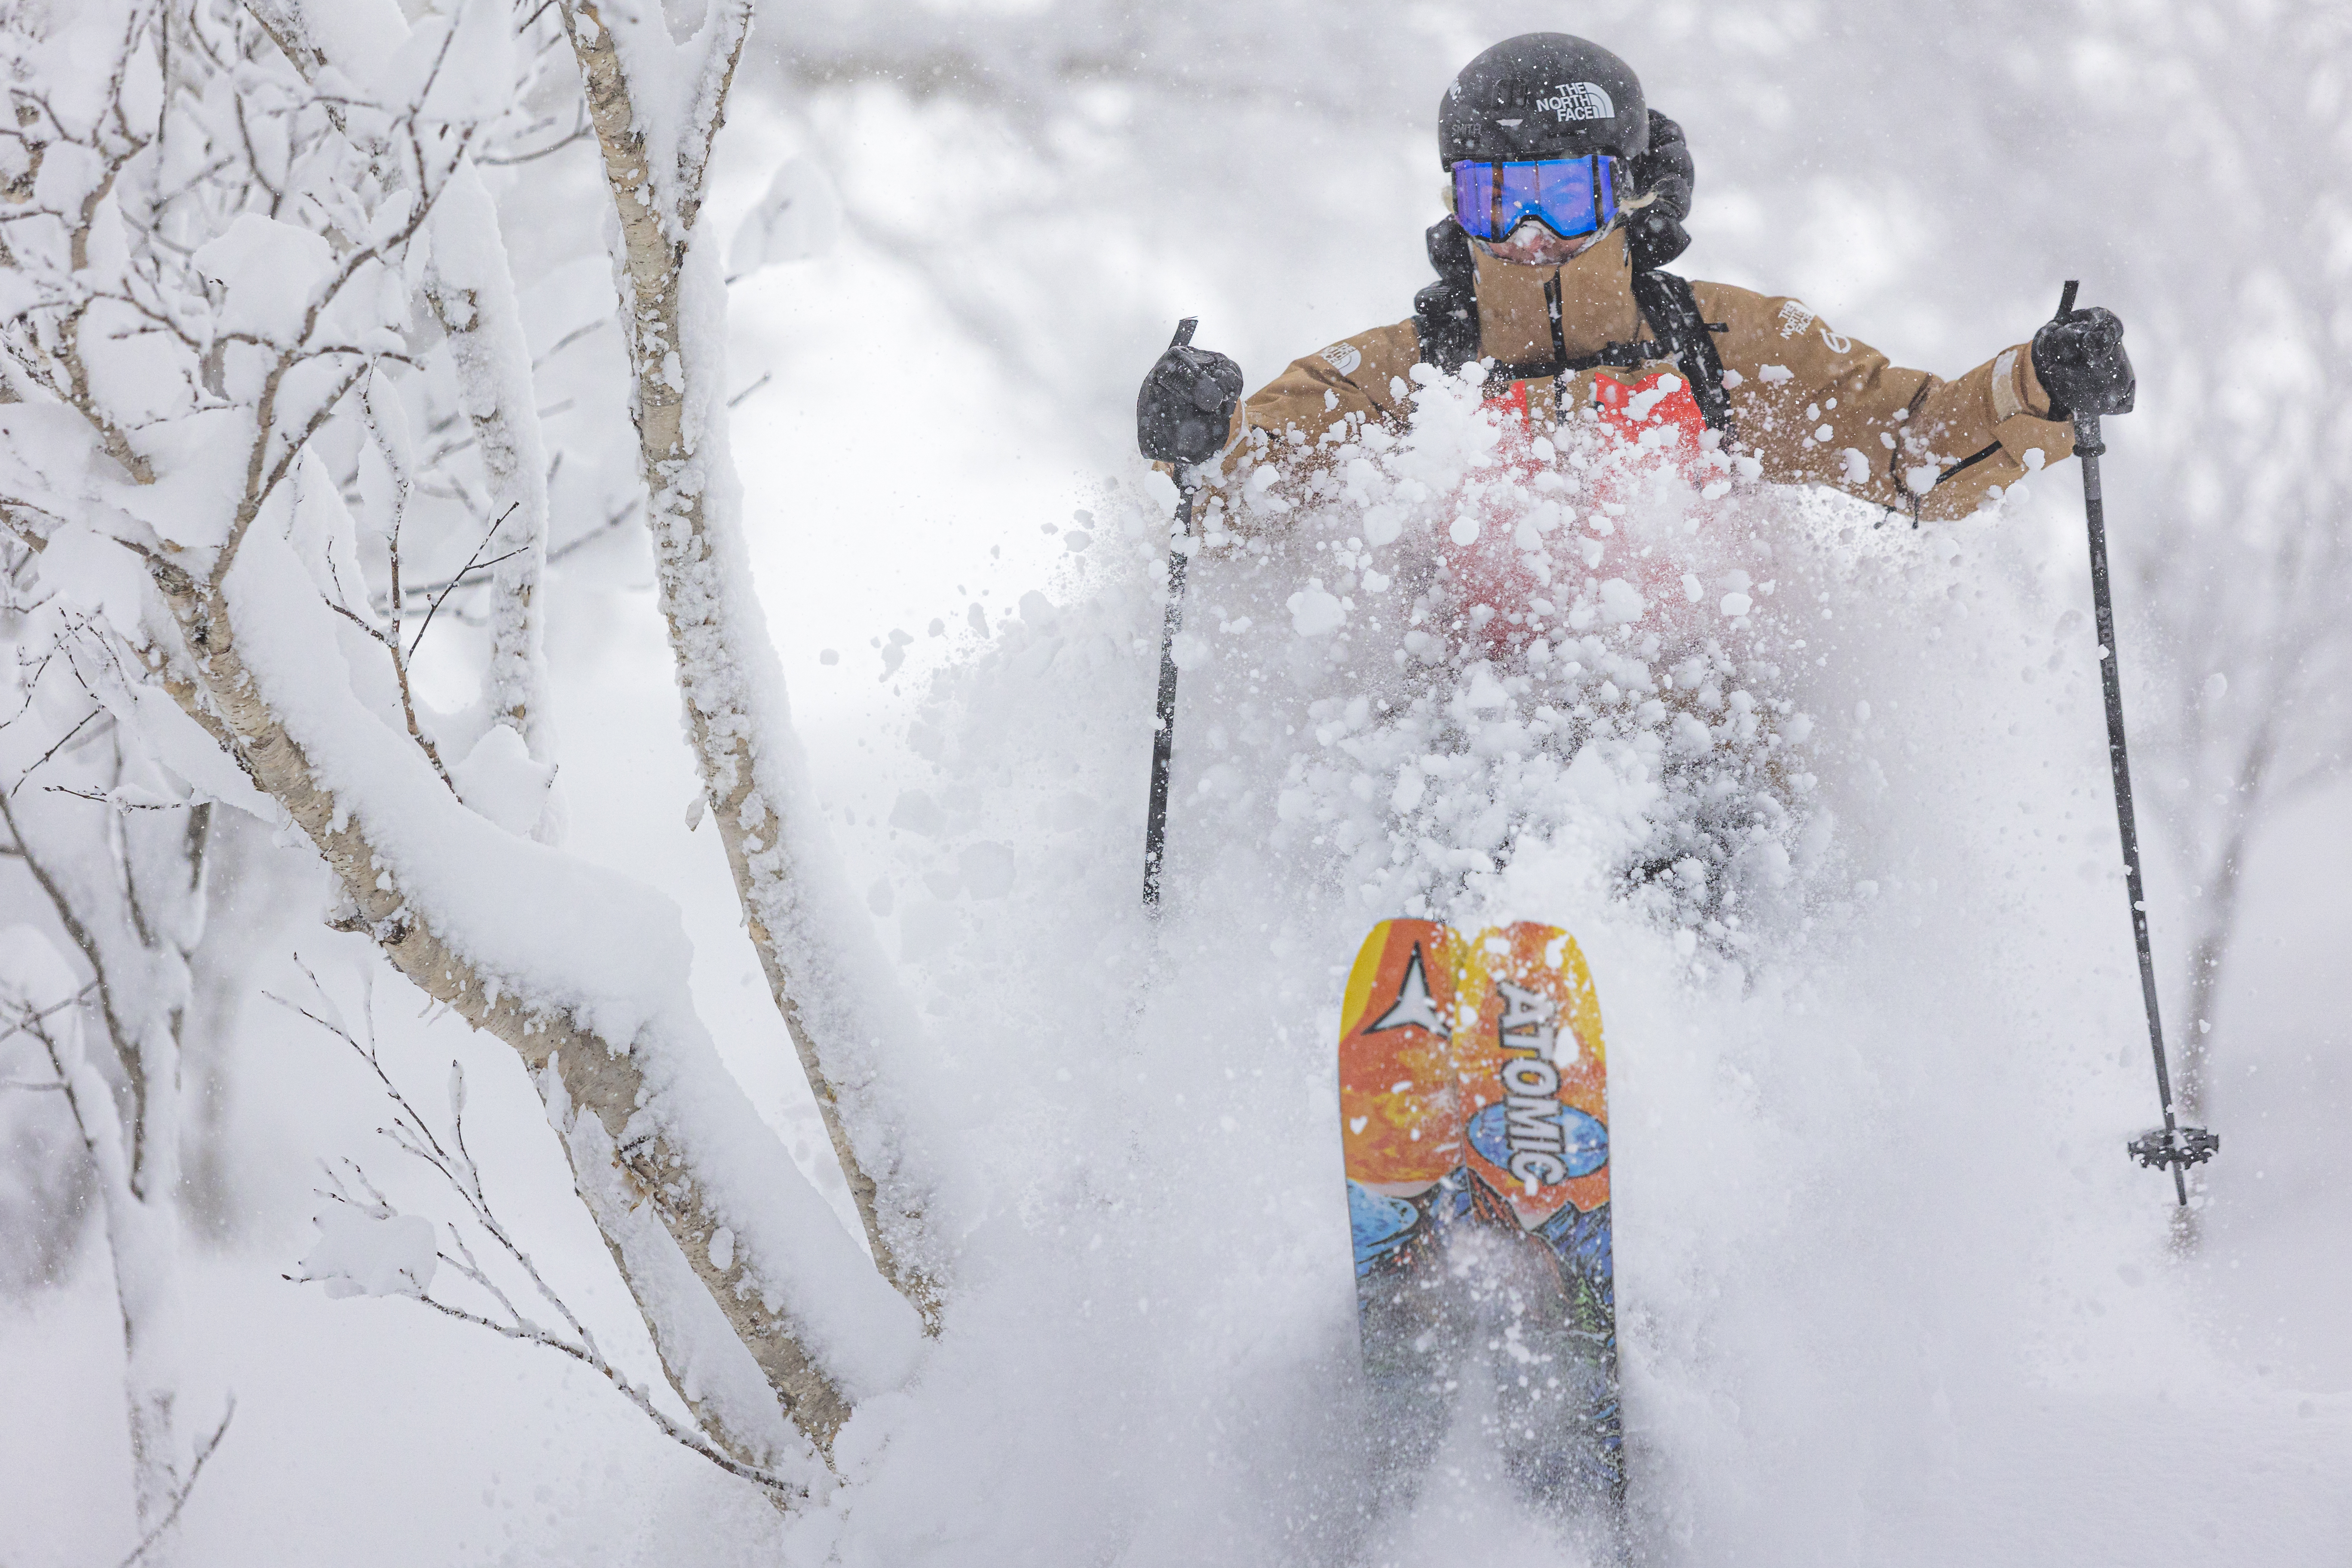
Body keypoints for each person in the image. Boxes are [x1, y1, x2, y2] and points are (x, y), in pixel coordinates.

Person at [1137, 33, 2135, 534]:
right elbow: (1252, 485)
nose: (1531, 236)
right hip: (1467, 736)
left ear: (1624, 193)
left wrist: (2038, 386)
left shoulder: (1727, 350)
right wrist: (1205, 442)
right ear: (1457, 205)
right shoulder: (1412, 373)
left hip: (1691, 744)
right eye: (1497, 200)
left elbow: (1912, 451)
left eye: (1563, 196)